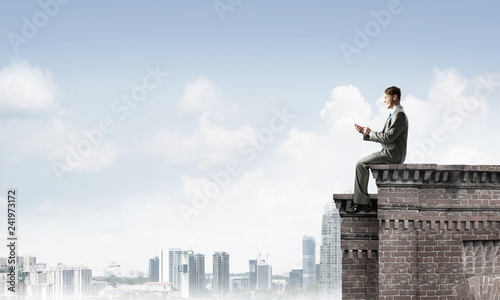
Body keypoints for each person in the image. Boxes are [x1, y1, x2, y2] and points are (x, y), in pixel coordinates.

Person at [347, 86, 409, 213]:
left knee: (361, 164)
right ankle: (362, 201)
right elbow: (384, 136)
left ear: (395, 97)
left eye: (386, 97)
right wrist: (366, 133)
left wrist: (371, 132)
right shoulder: (394, 115)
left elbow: (388, 138)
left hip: (393, 154)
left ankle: (361, 203)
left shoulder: (400, 115)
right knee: (361, 164)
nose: (384, 100)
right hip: (389, 152)